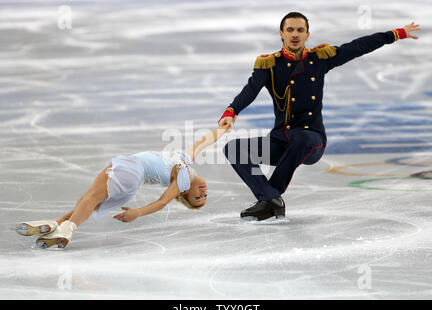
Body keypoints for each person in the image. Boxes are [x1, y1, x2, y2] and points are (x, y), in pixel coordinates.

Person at [218, 12, 420, 221]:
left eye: (300, 30)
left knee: (301, 138)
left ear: (307, 35)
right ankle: (269, 198)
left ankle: (270, 197)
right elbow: (249, 91)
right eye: (290, 30)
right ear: (281, 34)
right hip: (281, 139)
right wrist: (231, 111)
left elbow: (358, 46)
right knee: (233, 148)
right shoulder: (269, 65)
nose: (295, 35)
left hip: (312, 140)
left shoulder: (318, 60)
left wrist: (396, 34)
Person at [14, 124, 232, 249]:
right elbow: (205, 140)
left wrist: (138, 212)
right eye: (204, 196)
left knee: (90, 198)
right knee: (90, 201)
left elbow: (163, 201)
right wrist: (223, 128)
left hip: (131, 169)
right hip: (131, 176)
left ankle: (67, 229)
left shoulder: (183, 178)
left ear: (185, 193)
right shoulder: (186, 159)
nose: (203, 193)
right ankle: (55, 224)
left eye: (197, 198)